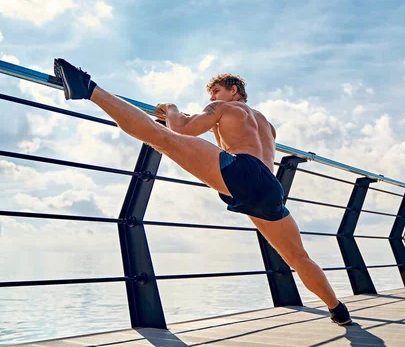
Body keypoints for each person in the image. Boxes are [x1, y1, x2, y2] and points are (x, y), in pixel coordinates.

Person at [53, 58, 352, 326]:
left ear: (234, 89)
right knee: (298, 256)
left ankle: (87, 87)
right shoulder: (267, 124)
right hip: (271, 189)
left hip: (242, 172)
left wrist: (171, 109)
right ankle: (337, 309)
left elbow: (182, 129)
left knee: (162, 138)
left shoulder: (222, 109)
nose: (211, 99)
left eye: (216, 92)